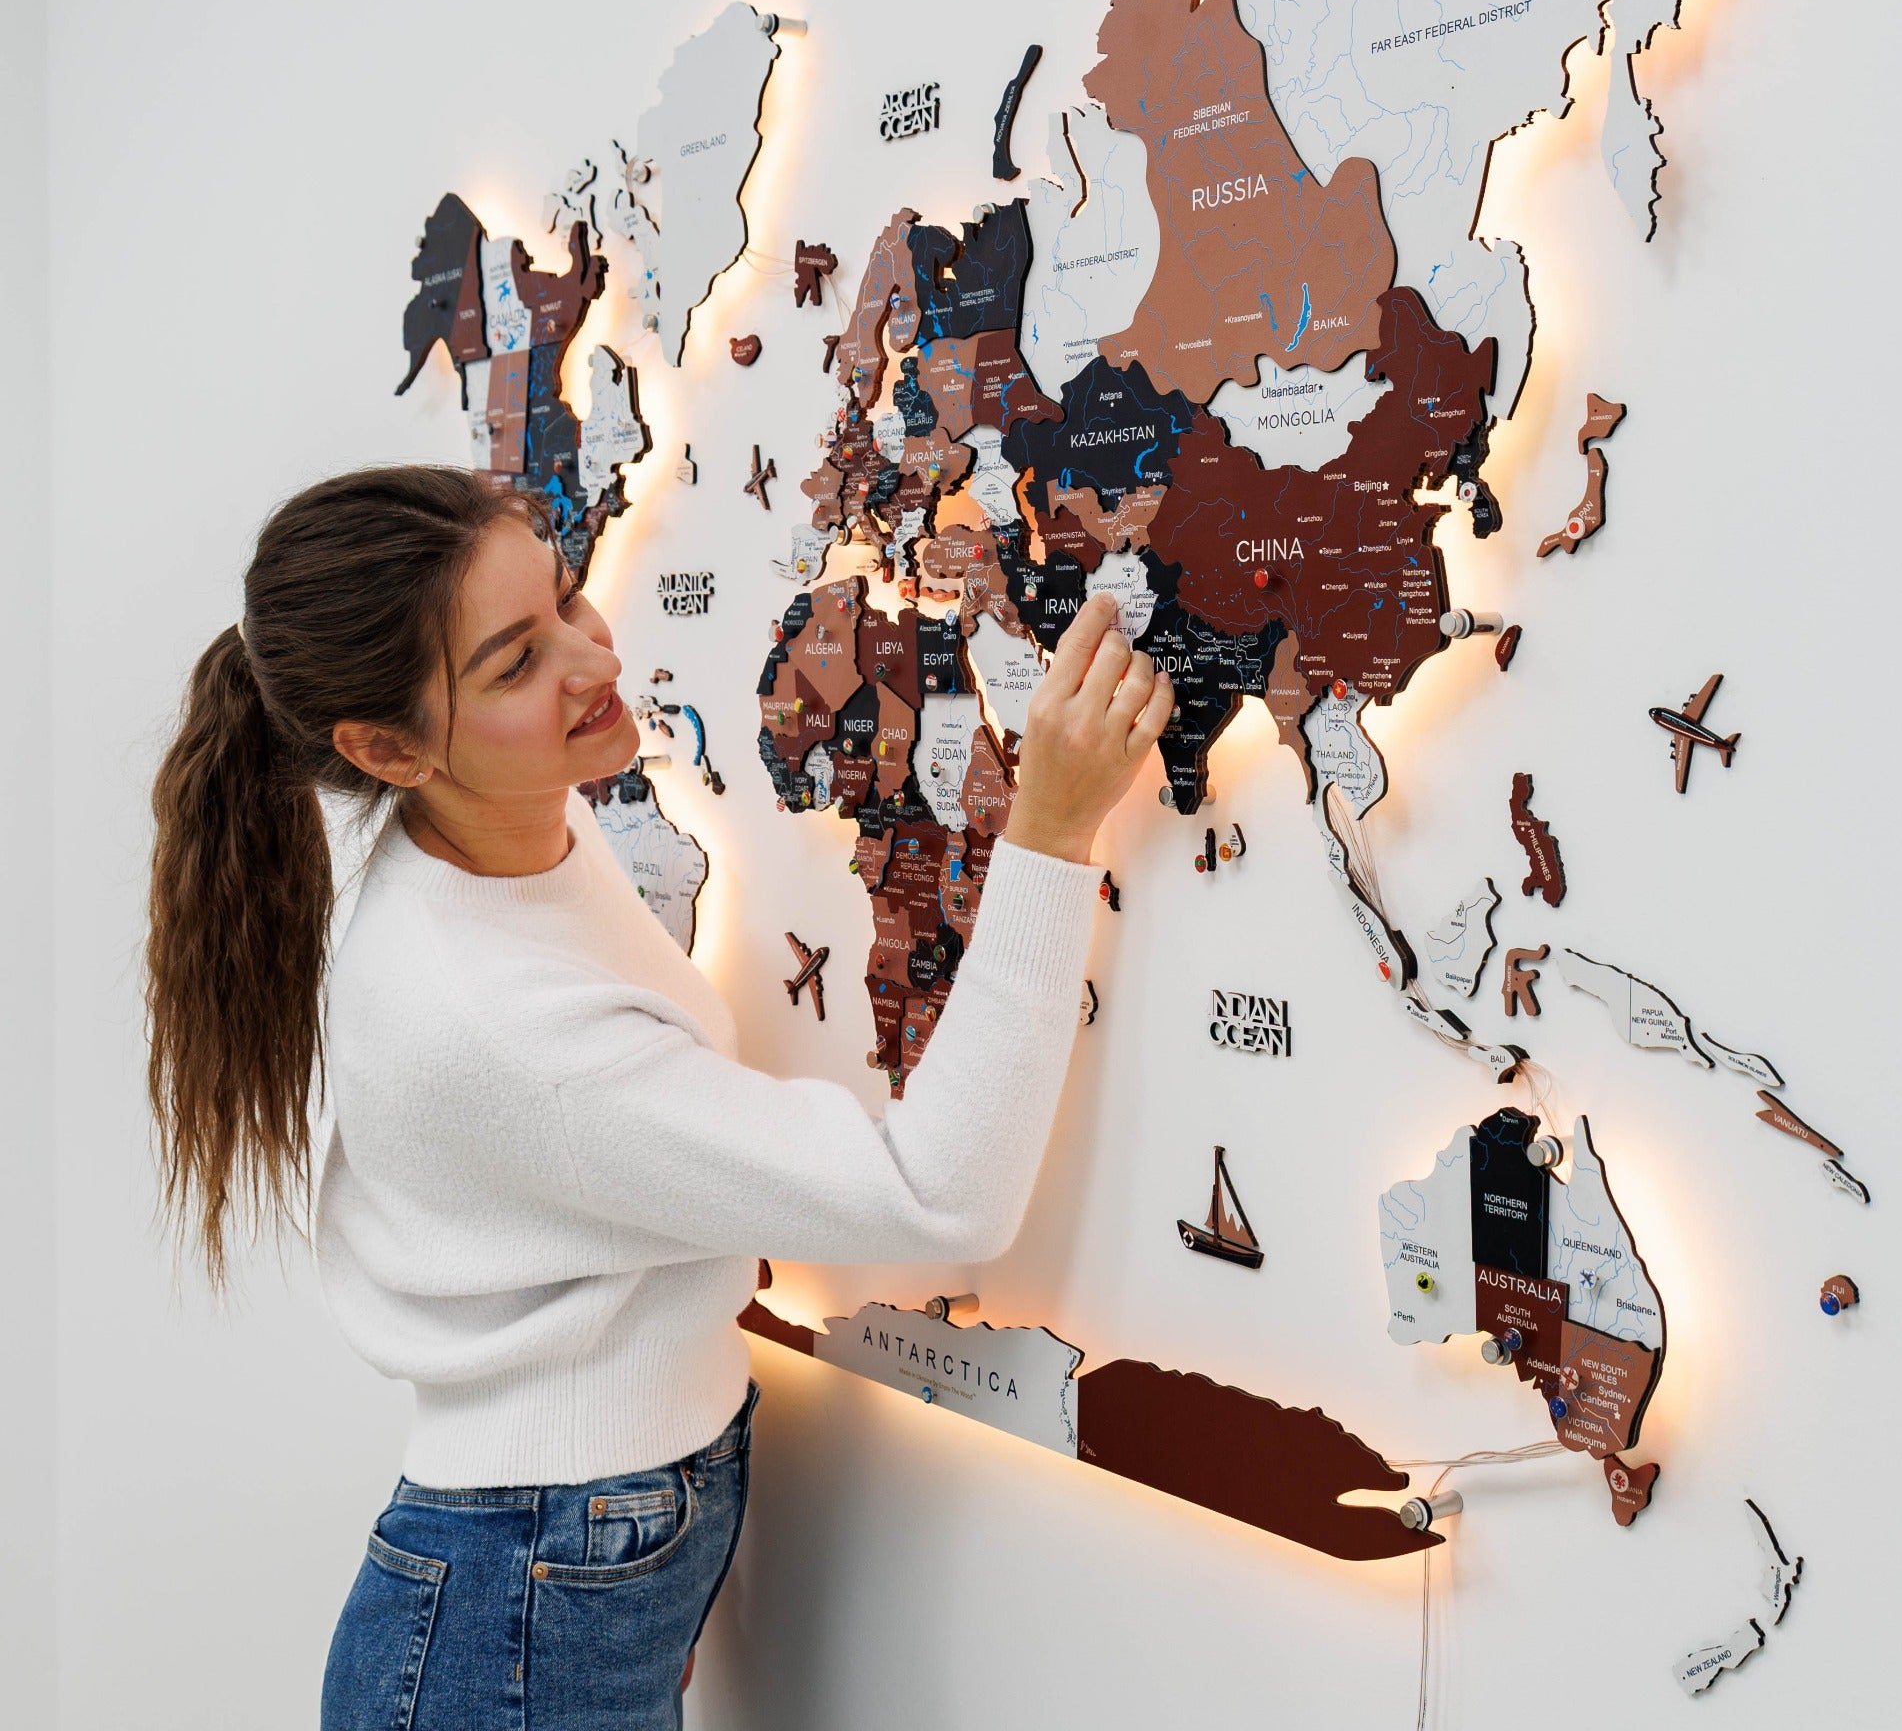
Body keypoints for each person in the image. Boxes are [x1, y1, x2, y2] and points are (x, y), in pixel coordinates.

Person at [145, 466, 1173, 1731]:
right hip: (521, 1609)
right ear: (386, 747)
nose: (589, 656)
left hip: (559, 1573)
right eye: (519, 661)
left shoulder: (509, 837)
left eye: (570, 600)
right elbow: (939, 1192)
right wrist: (1051, 828)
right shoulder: (487, 1014)